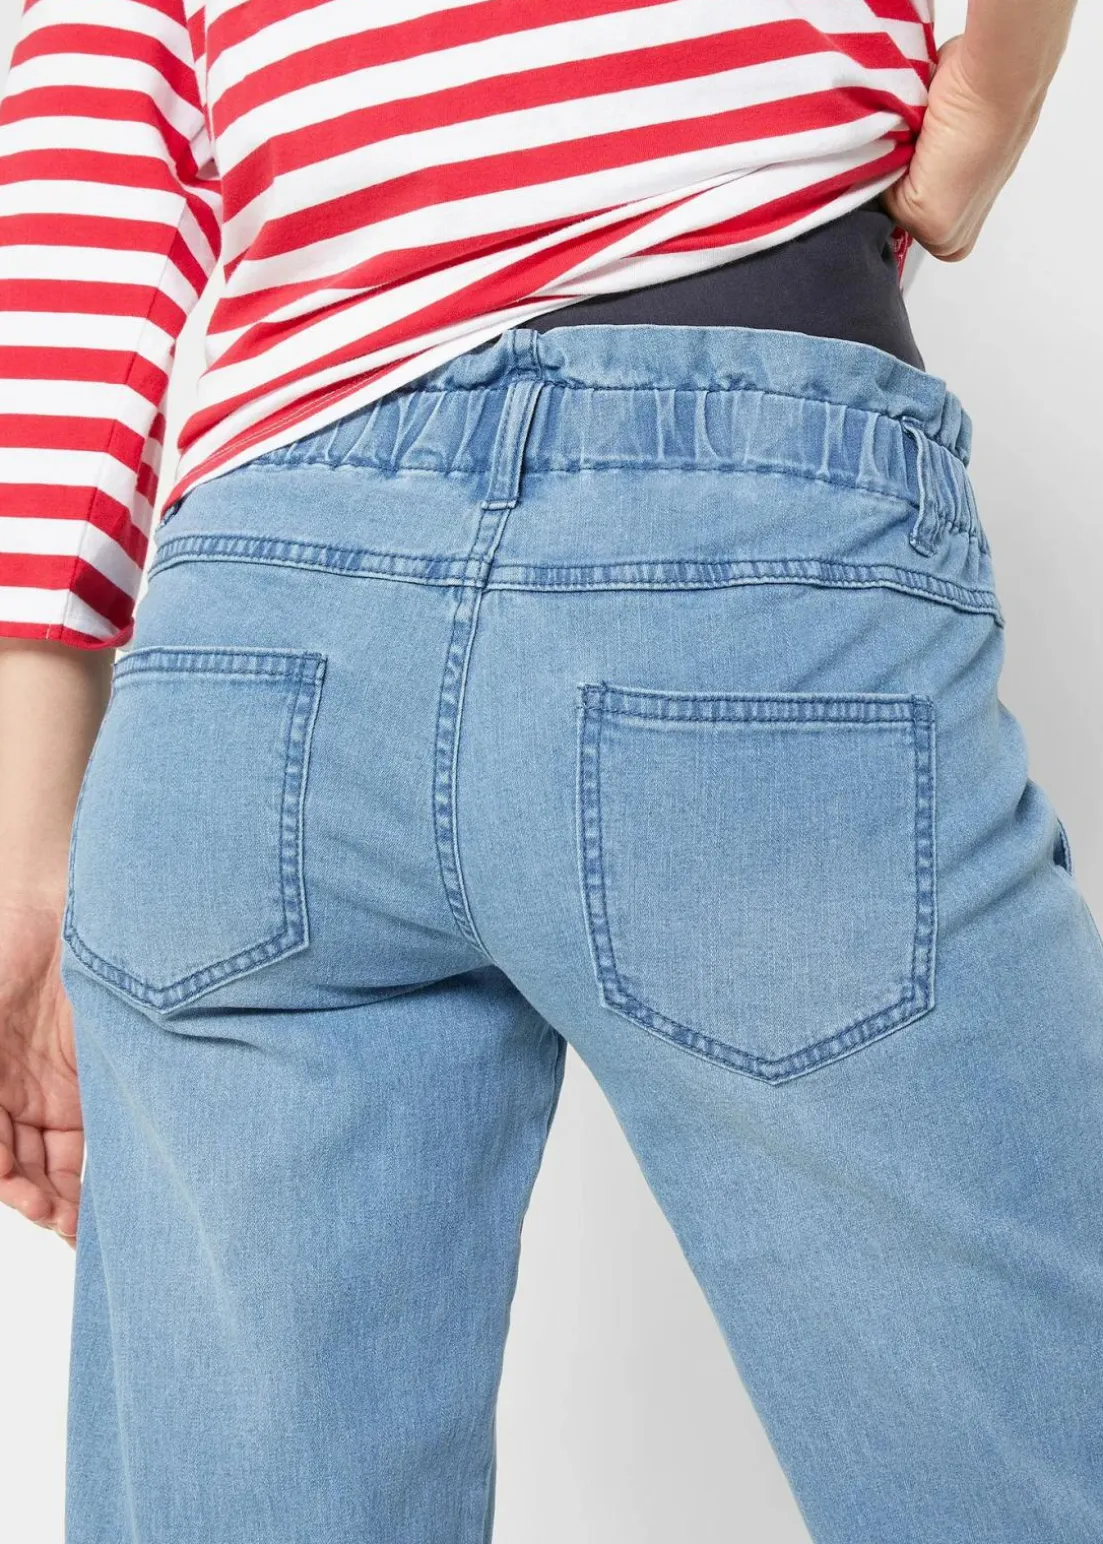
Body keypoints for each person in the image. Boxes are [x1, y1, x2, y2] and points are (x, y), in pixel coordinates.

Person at [0, 0, 1093, 1538]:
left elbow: (84, 206)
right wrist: (994, 91)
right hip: (729, 543)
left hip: (257, 631)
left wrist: (28, 853)